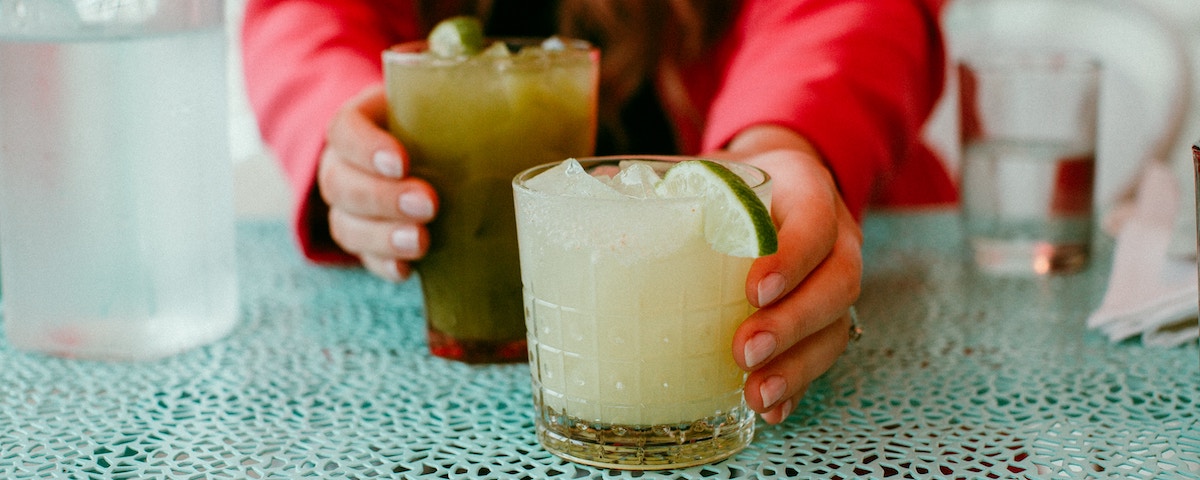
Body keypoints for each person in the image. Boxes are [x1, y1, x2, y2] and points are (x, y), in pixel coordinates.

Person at [241, 0, 958, 425]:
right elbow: (304, 18)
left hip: (759, 337)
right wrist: (344, 128)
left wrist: (785, 135)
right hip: (445, 349)